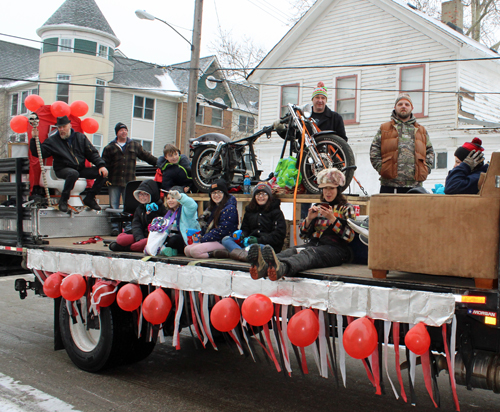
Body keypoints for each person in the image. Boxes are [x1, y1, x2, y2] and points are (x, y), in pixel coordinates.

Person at [248, 169, 355, 281]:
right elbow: (303, 235)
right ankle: (262, 266)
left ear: (338, 189)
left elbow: (349, 237)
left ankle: (282, 268)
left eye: (331, 188)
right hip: (315, 245)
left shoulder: (346, 208)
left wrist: (332, 219)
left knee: (308, 254)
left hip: (336, 250)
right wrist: (309, 219)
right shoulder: (318, 206)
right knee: (292, 251)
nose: (328, 192)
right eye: (325, 188)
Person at [30, 116, 108, 212]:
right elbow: (39, 153)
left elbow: (92, 153)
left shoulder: (80, 137)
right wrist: (34, 139)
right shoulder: (53, 140)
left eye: (64, 127)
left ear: (70, 125)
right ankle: (64, 200)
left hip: (79, 168)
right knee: (73, 173)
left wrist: (101, 165)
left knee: (103, 173)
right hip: (62, 169)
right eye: (59, 127)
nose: (61, 129)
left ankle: (90, 198)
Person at [370, 93, 434, 193]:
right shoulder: (384, 128)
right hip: (389, 186)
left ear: (412, 108)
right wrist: (383, 169)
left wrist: (425, 169)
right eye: (400, 104)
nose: (403, 106)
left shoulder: (421, 130)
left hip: (415, 186)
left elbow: (430, 151)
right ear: (395, 107)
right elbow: (374, 151)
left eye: (407, 104)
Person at [102, 122, 158, 235]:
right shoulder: (109, 147)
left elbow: (146, 156)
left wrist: (159, 163)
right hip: (114, 181)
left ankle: (128, 227)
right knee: (114, 205)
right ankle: (114, 227)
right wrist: (105, 179)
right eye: (121, 130)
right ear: (117, 133)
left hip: (129, 182)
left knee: (129, 205)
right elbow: (104, 164)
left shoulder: (134, 145)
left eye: (125, 130)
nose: (124, 132)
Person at [213, 182, 287, 262]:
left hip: (266, 245)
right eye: (258, 194)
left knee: (256, 247)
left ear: (269, 196)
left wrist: (258, 240)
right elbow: (245, 228)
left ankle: (234, 253)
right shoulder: (250, 211)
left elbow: (278, 235)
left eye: (264, 194)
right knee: (226, 239)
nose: (261, 197)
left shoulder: (276, 212)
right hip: (248, 243)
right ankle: (244, 255)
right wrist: (242, 235)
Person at [184, 180, 238, 259]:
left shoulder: (229, 208)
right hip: (212, 238)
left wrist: (204, 238)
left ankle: (218, 253)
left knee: (194, 251)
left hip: (223, 240)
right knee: (187, 250)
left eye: (219, 192)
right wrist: (201, 235)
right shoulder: (212, 208)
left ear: (224, 193)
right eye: (213, 193)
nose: (216, 195)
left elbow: (223, 230)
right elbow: (206, 226)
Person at [108, 180, 166, 252]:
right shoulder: (140, 208)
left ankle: (125, 248)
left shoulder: (160, 208)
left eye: (145, 194)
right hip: (141, 235)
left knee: (143, 243)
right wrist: (139, 238)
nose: (142, 197)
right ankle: (131, 245)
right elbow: (136, 224)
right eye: (140, 194)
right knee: (121, 239)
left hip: (152, 237)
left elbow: (158, 227)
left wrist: (150, 215)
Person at [157, 186, 200, 256]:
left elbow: (193, 205)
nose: (170, 200)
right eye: (168, 198)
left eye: (173, 198)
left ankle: (165, 249)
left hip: (186, 240)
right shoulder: (168, 213)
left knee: (174, 239)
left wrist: (180, 197)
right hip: (171, 238)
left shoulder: (185, 210)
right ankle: (170, 250)